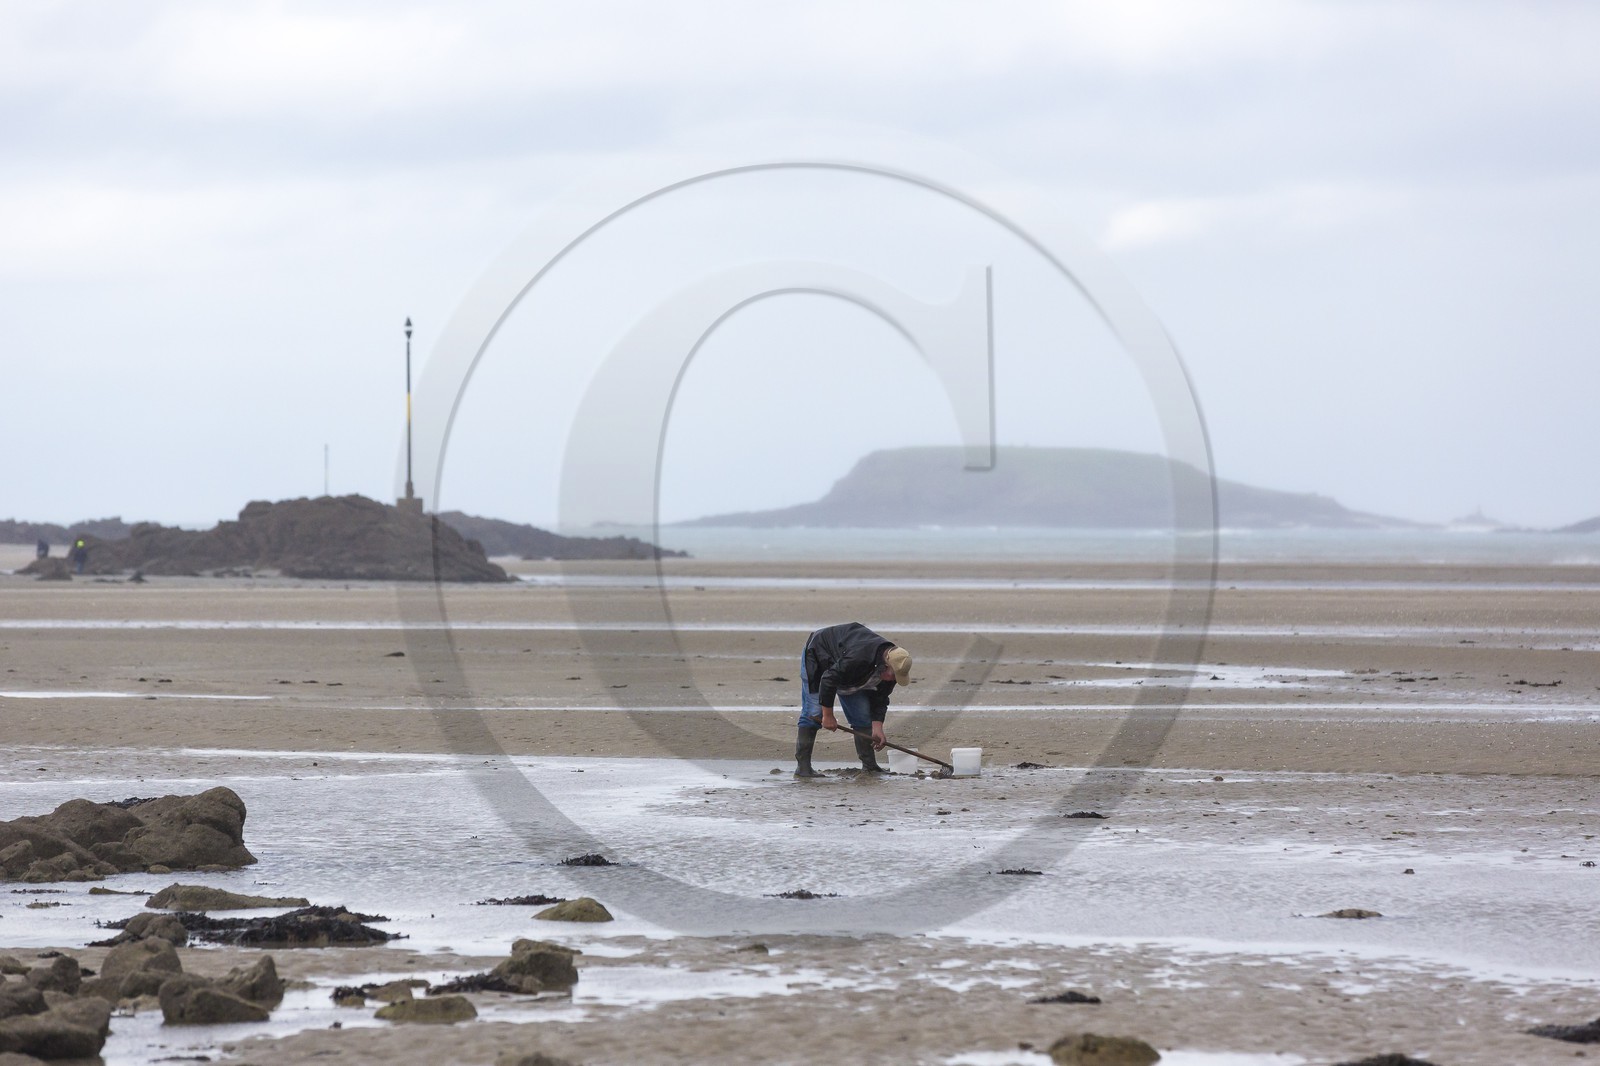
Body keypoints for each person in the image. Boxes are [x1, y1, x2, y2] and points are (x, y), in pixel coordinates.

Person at [794, 622, 912, 779]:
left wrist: (877, 727)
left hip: (851, 672)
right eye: (893, 675)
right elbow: (828, 680)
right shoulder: (858, 657)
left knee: (862, 715)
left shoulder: (893, 668)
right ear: (885, 665)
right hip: (818, 655)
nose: (893, 680)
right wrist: (827, 715)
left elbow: (881, 697)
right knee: (813, 712)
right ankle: (803, 768)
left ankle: (870, 767)